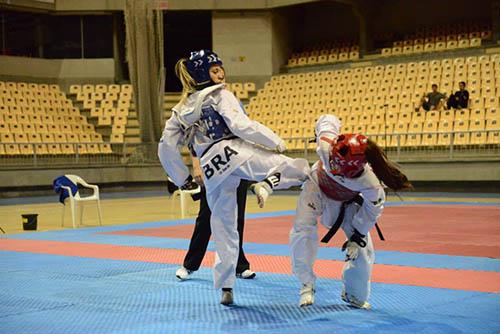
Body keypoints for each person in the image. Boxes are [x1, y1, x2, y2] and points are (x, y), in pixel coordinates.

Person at [158, 49, 310, 306]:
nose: (220, 74)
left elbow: (166, 146)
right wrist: (275, 140)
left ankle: (226, 285)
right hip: (235, 152)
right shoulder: (220, 95)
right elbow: (242, 126)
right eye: (214, 70)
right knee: (298, 168)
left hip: (211, 169)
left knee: (223, 227)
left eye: (221, 69)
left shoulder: (182, 108)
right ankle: (268, 184)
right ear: (201, 74)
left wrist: (182, 178)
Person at [289, 114, 412, 309]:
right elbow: (327, 119)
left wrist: (357, 235)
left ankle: (353, 294)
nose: (335, 167)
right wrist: (318, 128)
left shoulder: (371, 184)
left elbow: (371, 212)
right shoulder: (326, 145)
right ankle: (306, 284)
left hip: (347, 202)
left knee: (363, 250)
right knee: (302, 231)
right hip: (317, 188)